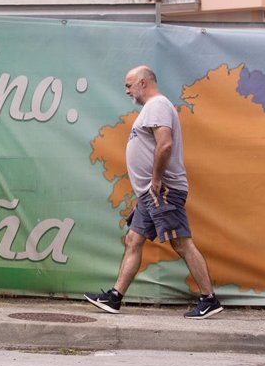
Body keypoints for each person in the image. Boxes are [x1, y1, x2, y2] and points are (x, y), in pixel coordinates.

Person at [84, 65, 223, 319]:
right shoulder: (151, 109)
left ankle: (209, 299)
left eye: (129, 85)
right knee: (133, 241)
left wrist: (157, 181)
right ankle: (115, 298)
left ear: (143, 83)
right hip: (150, 194)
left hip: (163, 191)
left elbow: (165, 144)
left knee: (181, 243)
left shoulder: (158, 105)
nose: (127, 91)